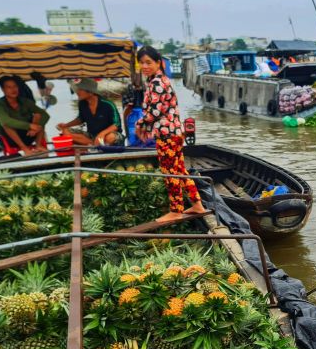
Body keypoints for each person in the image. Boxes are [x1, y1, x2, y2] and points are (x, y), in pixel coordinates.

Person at [135, 46, 206, 222]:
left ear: (158, 62)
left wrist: (139, 125)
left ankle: (176, 210)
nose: (144, 66)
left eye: (148, 62)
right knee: (179, 170)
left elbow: (155, 112)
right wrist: (146, 127)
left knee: (170, 172)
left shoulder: (158, 83)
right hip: (173, 133)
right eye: (141, 63)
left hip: (167, 135)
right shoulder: (158, 80)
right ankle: (197, 204)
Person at [56, 78, 122, 146]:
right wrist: (66, 125)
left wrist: (102, 134)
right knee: (66, 132)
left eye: (80, 89)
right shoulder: (82, 103)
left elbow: (116, 124)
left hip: (108, 134)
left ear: (90, 92)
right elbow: (80, 119)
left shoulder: (108, 104)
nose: (77, 92)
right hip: (91, 136)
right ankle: (94, 145)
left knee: (110, 137)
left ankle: (94, 145)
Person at [0, 75, 49, 154]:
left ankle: (38, 145)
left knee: (39, 116)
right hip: (9, 140)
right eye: (9, 87)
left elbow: (45, 115)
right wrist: (30, 126)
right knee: (6, 125)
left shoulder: (25, 101)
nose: (13, 89)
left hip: (28, 134)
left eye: (15, 86)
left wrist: (35, 126)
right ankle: (25, 149)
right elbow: (6, 121)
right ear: (3, 89)